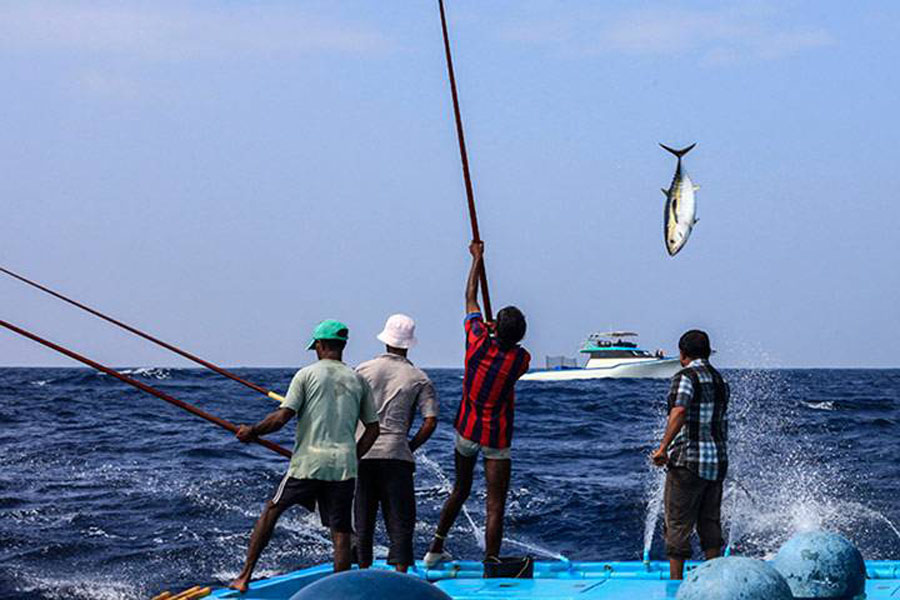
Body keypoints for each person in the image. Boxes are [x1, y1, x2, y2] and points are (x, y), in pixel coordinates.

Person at [229, 319, 380, 593]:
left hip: (307, 463)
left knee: (272, 511)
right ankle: (341, 592)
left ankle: (244, 576)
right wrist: (354, 455)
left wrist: (253, 431)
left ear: (320, 346)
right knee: (341, 531)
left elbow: (282, 416)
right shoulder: (358, 380)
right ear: (343, 346)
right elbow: (373, 429)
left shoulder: (306, 375)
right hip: (344, 468)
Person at [424, 241, 530, 567]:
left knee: (461, 488)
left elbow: (469, 298)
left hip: (467, 430)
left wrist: (476, 259)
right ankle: (492, 560)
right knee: (495, 503)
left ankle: (435, 549)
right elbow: (506, 342)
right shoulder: (521, 359)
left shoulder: (476, 342)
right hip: (497, 436)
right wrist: (494, 326)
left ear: (494, 327)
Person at [354, 313, 439, 573]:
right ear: (408, 343)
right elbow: (430, 421)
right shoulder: (419, 378)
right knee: (401, 521)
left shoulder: (362, 370)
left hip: (362, 453)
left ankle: (363, 571)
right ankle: (401, 575)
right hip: (397, 454)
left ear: (386, 340)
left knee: (363, 519)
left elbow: (347, 410)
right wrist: (409, 446)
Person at [651, 329, 729, 580]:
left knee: (677, 525)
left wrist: (663, 448)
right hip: (716, 462)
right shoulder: (720, 380)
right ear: (707, 352)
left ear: (683, 354)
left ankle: (676, 584)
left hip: (688, 461)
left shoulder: (685, 376)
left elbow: (680, 411)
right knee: (710, 523)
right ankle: (715, 580)